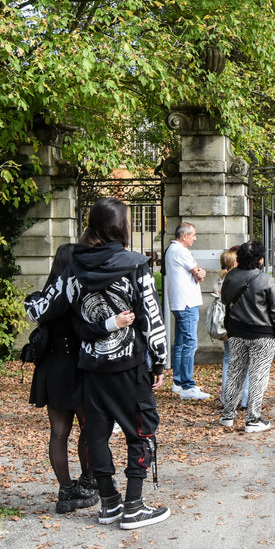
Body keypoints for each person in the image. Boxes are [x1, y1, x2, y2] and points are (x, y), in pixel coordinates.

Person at [25, 198, 170, 529]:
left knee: (96, 435)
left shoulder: (75, 267)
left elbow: (42, 309)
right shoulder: (135, 265)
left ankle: (109, 504)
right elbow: (151, 317)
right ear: (121, 227)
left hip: (91, 367)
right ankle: (134, 506)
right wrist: (158, 362)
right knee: (141, 431)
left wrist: (29, 300)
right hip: (128, 367)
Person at [27, 244, 99, 514]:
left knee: (59, 432)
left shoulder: (45, 297)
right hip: (76, 366)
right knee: (89, 428)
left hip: (52, 366)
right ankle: (86, 482)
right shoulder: (77, 294)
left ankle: (67, 490)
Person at [220, 240, 275, 432]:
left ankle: (228, 415)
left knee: (235, 372)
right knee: (258, 375)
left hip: (237, 331)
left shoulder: (231, 276)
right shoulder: (266, 280)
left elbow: (225, 299)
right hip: (262, 334)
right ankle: (253, 419)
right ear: (260, 259)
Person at [166, 222, 210, 400]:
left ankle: (178, 382)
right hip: (187, 303)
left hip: (180, 303)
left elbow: (198, 272)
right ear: (184, 236)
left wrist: (201, 271)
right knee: (190, 343)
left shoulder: (172, 249)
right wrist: (201, 272)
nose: (195, 238)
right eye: (193, 235)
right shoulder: (181, 251)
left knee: (180, 342)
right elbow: (198, 273)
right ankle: (187, 385)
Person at [216, 247, 248, 409]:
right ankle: (244, 399)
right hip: (238, 324)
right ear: (235, 263)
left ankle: (226, 399)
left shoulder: (220, 280)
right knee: (246, 362)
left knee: (228, 361)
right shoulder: (236, 280)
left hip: (225, 326)